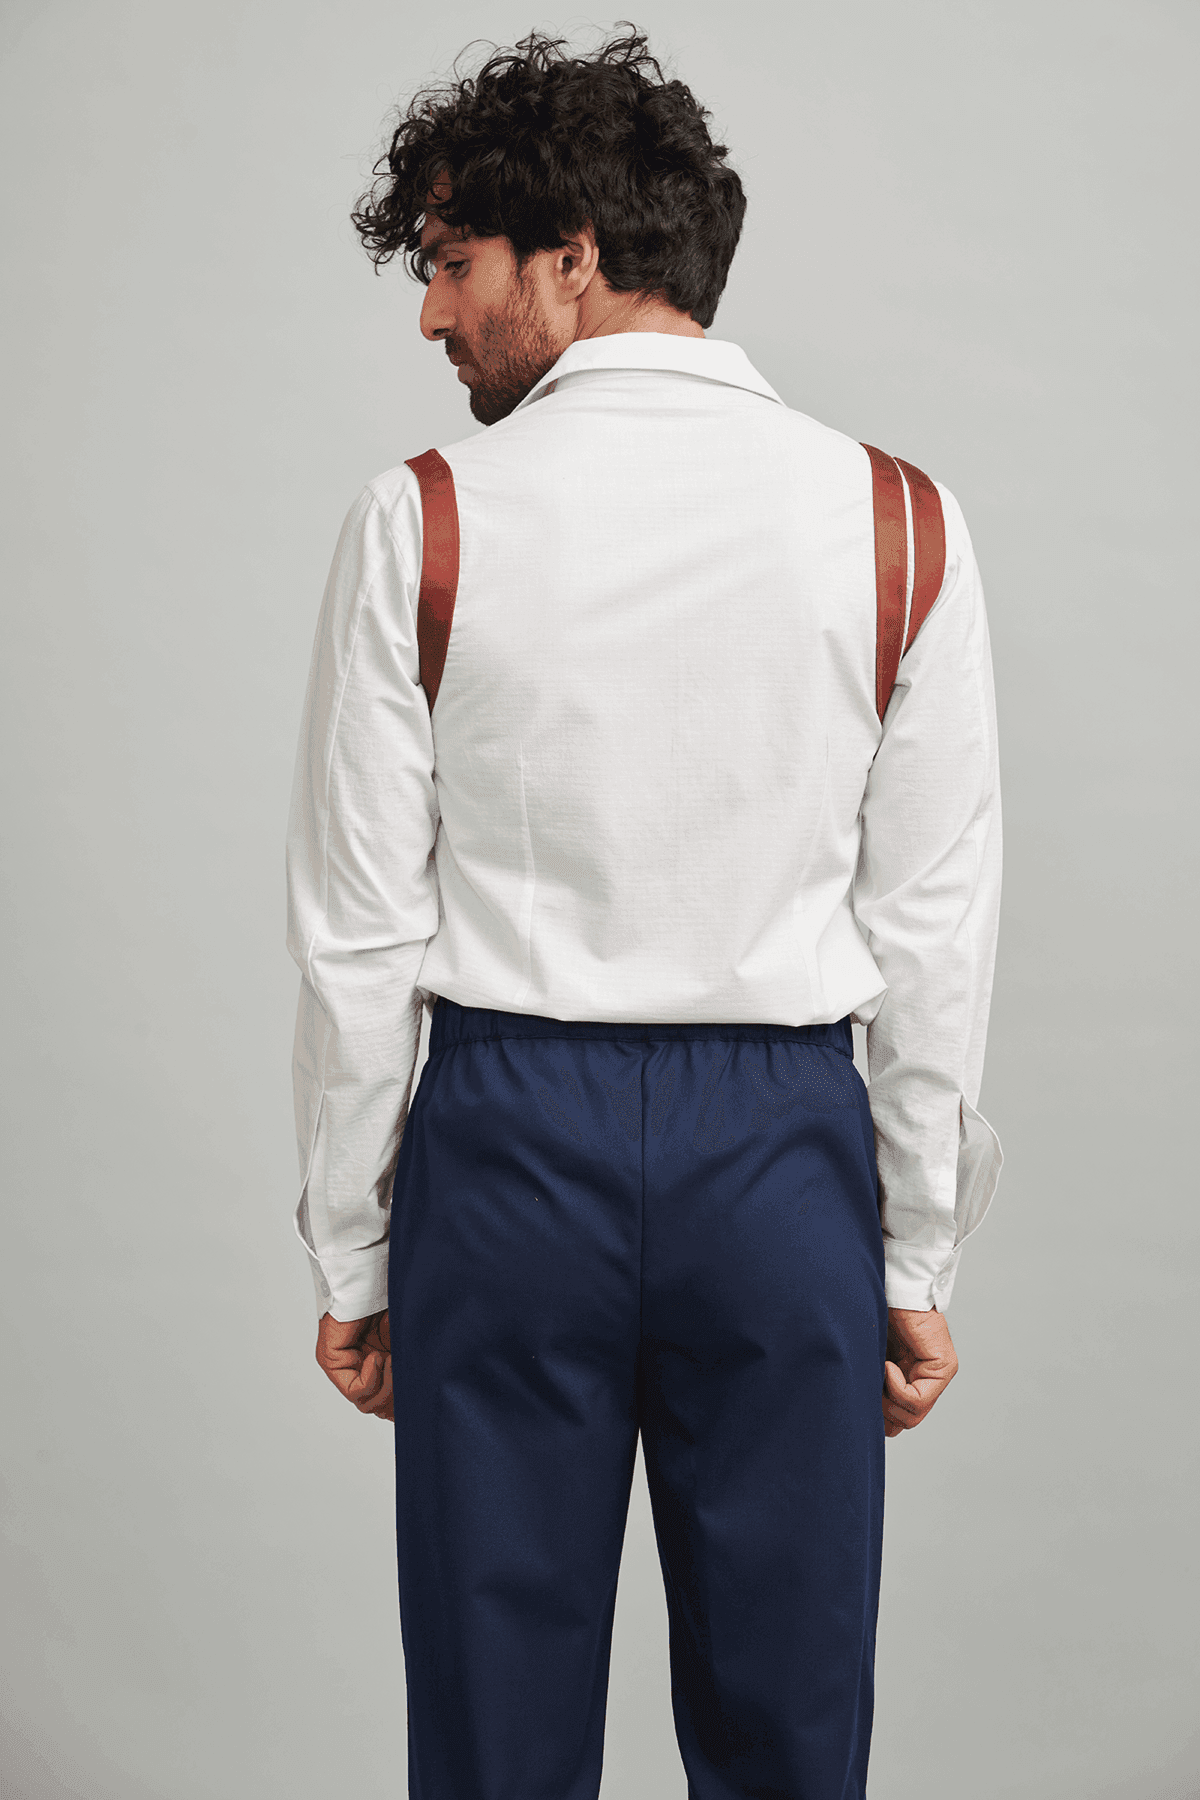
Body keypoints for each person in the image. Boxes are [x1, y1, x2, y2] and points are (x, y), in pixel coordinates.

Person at [285, 27, 1002, 1800]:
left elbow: (362, 932)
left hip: (506, 1150)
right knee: (791, 1734)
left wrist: (354, 1251)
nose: (432, 317)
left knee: (492, 1735)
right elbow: (934, 930)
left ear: (575, 254)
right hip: (782, 1161)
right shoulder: (897, 524)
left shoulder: (425, 521)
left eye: (453, 263)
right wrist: (911, 1254)